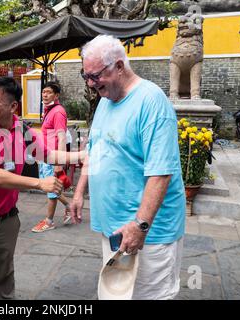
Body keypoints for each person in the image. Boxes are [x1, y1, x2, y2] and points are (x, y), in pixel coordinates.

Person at [70, 35, 186, 300]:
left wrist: (139, 225)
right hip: (112, 227)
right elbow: (93, 150)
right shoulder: (104, 102)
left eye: (96, 75)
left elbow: (161, 173)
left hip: (148, 232)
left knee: (149, 295)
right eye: (85, 76)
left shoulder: (151, 102)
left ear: (119, 66)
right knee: (118, 294)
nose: (90, 83)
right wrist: (79, 192)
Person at [0, 77, 85, 300]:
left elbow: (48, 155)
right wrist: (39, 183)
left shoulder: (21, 130)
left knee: (6, 277)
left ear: (13, 106)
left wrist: (81, 155)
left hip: (7, 221)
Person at [32, 82, 72, 232]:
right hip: (45, 157)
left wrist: (59, 162)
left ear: (56, 95)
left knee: (50, 190)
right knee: (48, 187)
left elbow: (61, 138)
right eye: (43, 92)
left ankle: (49, 221)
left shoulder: (58, 112)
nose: (45, 95)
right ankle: (69, 206)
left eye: (49, 92)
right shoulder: (48, 110)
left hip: (53, 157)